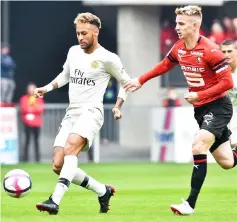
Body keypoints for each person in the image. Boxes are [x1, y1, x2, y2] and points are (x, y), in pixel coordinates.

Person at [124, 5, 237, 216]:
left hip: (218, 107)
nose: (177, 27)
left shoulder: (211, 49)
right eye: (176, 23)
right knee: (228, 162)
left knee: (198, 145)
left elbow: (227, 82)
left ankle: (190, 204)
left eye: (181, 24)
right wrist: (140, 80)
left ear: (195, 26)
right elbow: (164, 65)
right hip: (201, 109)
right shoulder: (179, 47)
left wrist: (200, 95)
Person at [34, 12, 130, 215]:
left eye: (84, 33)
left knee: (70, 148)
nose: (80, 38)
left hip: (92, 112)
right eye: (78, 33)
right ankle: (102, 191)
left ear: (96, 32)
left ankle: (54, 200)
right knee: (58, 164)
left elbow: (126, 83)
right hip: (72, 112)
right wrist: (46, 88)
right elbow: (66, 75)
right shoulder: (73, 52)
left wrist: (118, 105)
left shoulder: (107, 58)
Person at [19, 82, 45, 162]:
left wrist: (31, 109)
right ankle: (25, 159)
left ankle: (37, 159)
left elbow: (40, 109)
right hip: (27, 123)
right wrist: (32, 109)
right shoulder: (23, 98)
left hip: (36, 123)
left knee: (36, 141)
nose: (31, 90)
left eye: (32, 88)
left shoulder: (39, 98)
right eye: (29, 88)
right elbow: (23, 109)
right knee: (27, 141)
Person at [220, 39, 237, 149]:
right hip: (228, 115)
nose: (226, 54)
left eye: (229, 51)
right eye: (224, 52)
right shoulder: (218, 73)